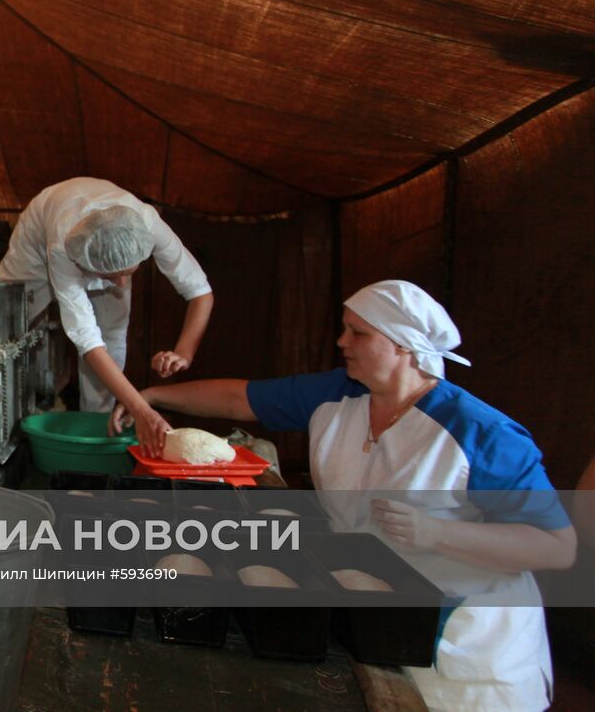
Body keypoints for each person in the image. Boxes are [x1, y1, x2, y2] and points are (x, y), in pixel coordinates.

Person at [112, 280, 576, 710]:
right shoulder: (340, 397)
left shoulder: (479, 434)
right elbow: (239, 399)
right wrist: (147, 398)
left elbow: (556, 546)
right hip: (371, 625)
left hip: (465, 653)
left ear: (403, 344)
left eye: (358, 333)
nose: (341, 341)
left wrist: (436, 533)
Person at [0, 178, 213, 456]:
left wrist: (184, 353)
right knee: (9, 321)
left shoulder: (147, 224)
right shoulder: (62, 246)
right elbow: (85, 338)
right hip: (39, 240)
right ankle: (5, 423)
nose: (121, 283)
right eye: (111, 275)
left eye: (129, 273)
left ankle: (95, 428)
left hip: (108, 241)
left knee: (111, 338)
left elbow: (200, 291)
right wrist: (141, 409)